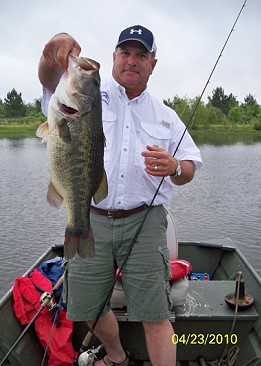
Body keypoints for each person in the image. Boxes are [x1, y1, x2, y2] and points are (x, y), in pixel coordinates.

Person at [39, 25, 202, 366]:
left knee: (155, 312)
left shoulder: (166, 116)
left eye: (141, 54)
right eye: (125, 53)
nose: (132, 60)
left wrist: (174, 166)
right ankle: (116, 356)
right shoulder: (83, 94)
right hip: (91, 215)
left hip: (145, 221)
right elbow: (48, 77)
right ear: (114, 57)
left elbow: (190, 168)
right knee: (86, 306)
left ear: (152, 65)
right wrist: (49, 53)